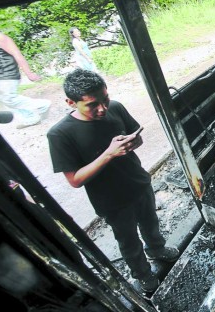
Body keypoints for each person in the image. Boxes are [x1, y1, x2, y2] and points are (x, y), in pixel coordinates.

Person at [46, 69, 179, 293]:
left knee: (150, 223)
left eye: (105, 99)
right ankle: (143, 274)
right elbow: (75, 180)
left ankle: (157, 249)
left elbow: (137, 138)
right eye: (92, 104)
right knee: (129, 241)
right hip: (111, 200)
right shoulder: (60, 134)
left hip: (138, 182)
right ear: (71, 102)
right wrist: (109, 153)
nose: (102, 108)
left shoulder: (115, 107)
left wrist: (133, 142)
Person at [0, 31, 51, 129]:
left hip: (7, 73)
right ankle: (31, 117)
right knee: (2, 98)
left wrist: (29, 73)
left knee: (9, 98)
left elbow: (17, 54)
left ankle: (43, 105)